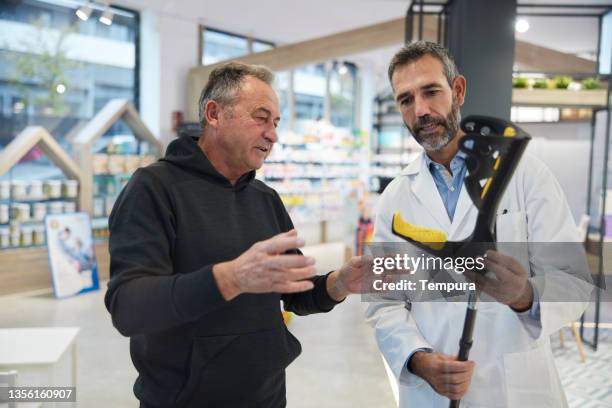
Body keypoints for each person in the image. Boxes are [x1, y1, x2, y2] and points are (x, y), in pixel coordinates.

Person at [104, 61, 365, 408]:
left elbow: (296, 293)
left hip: (268, 397)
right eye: (261, 117)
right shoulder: (153, 188)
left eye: (276, 123)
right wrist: (231, 278)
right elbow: (128, 307)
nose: (272, 134)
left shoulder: (265, 199)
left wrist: (340, 282)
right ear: (214, 113)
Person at [365, 41, 590, 408]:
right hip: (432, 393)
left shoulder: (525, 174)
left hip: (516, 390)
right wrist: (419, 360)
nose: (420, 110)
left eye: (431, 91)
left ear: (458, 91)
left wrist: (525, 296)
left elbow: (575, 281)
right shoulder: (395, 198)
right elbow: (382, 303)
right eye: (406, 100)